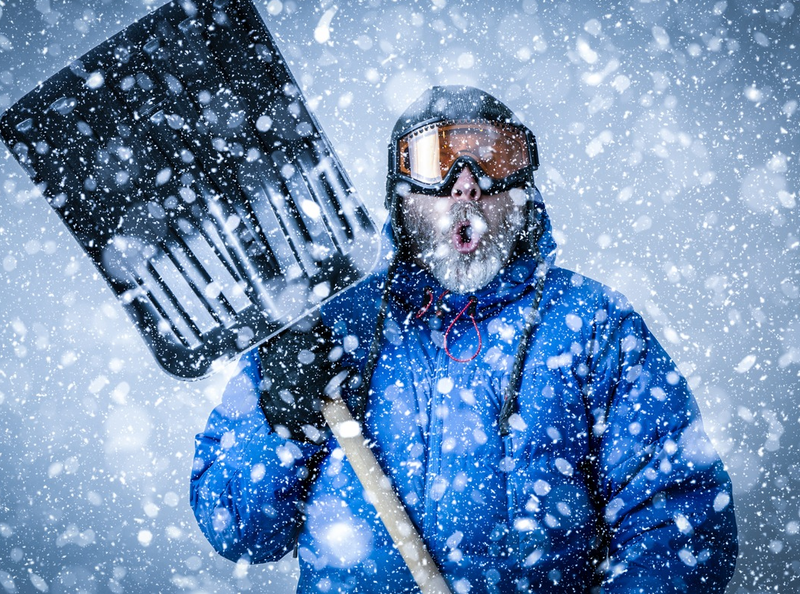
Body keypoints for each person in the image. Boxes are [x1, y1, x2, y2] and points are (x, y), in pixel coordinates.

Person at [190, 86, 737, 593]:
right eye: (436, 160)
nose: (466, 183)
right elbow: (236, 529)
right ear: (400, 193)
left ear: (523, 190)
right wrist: (280, 421)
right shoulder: (328, 326)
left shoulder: (595, 327)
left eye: (493, 160)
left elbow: (682, 525)